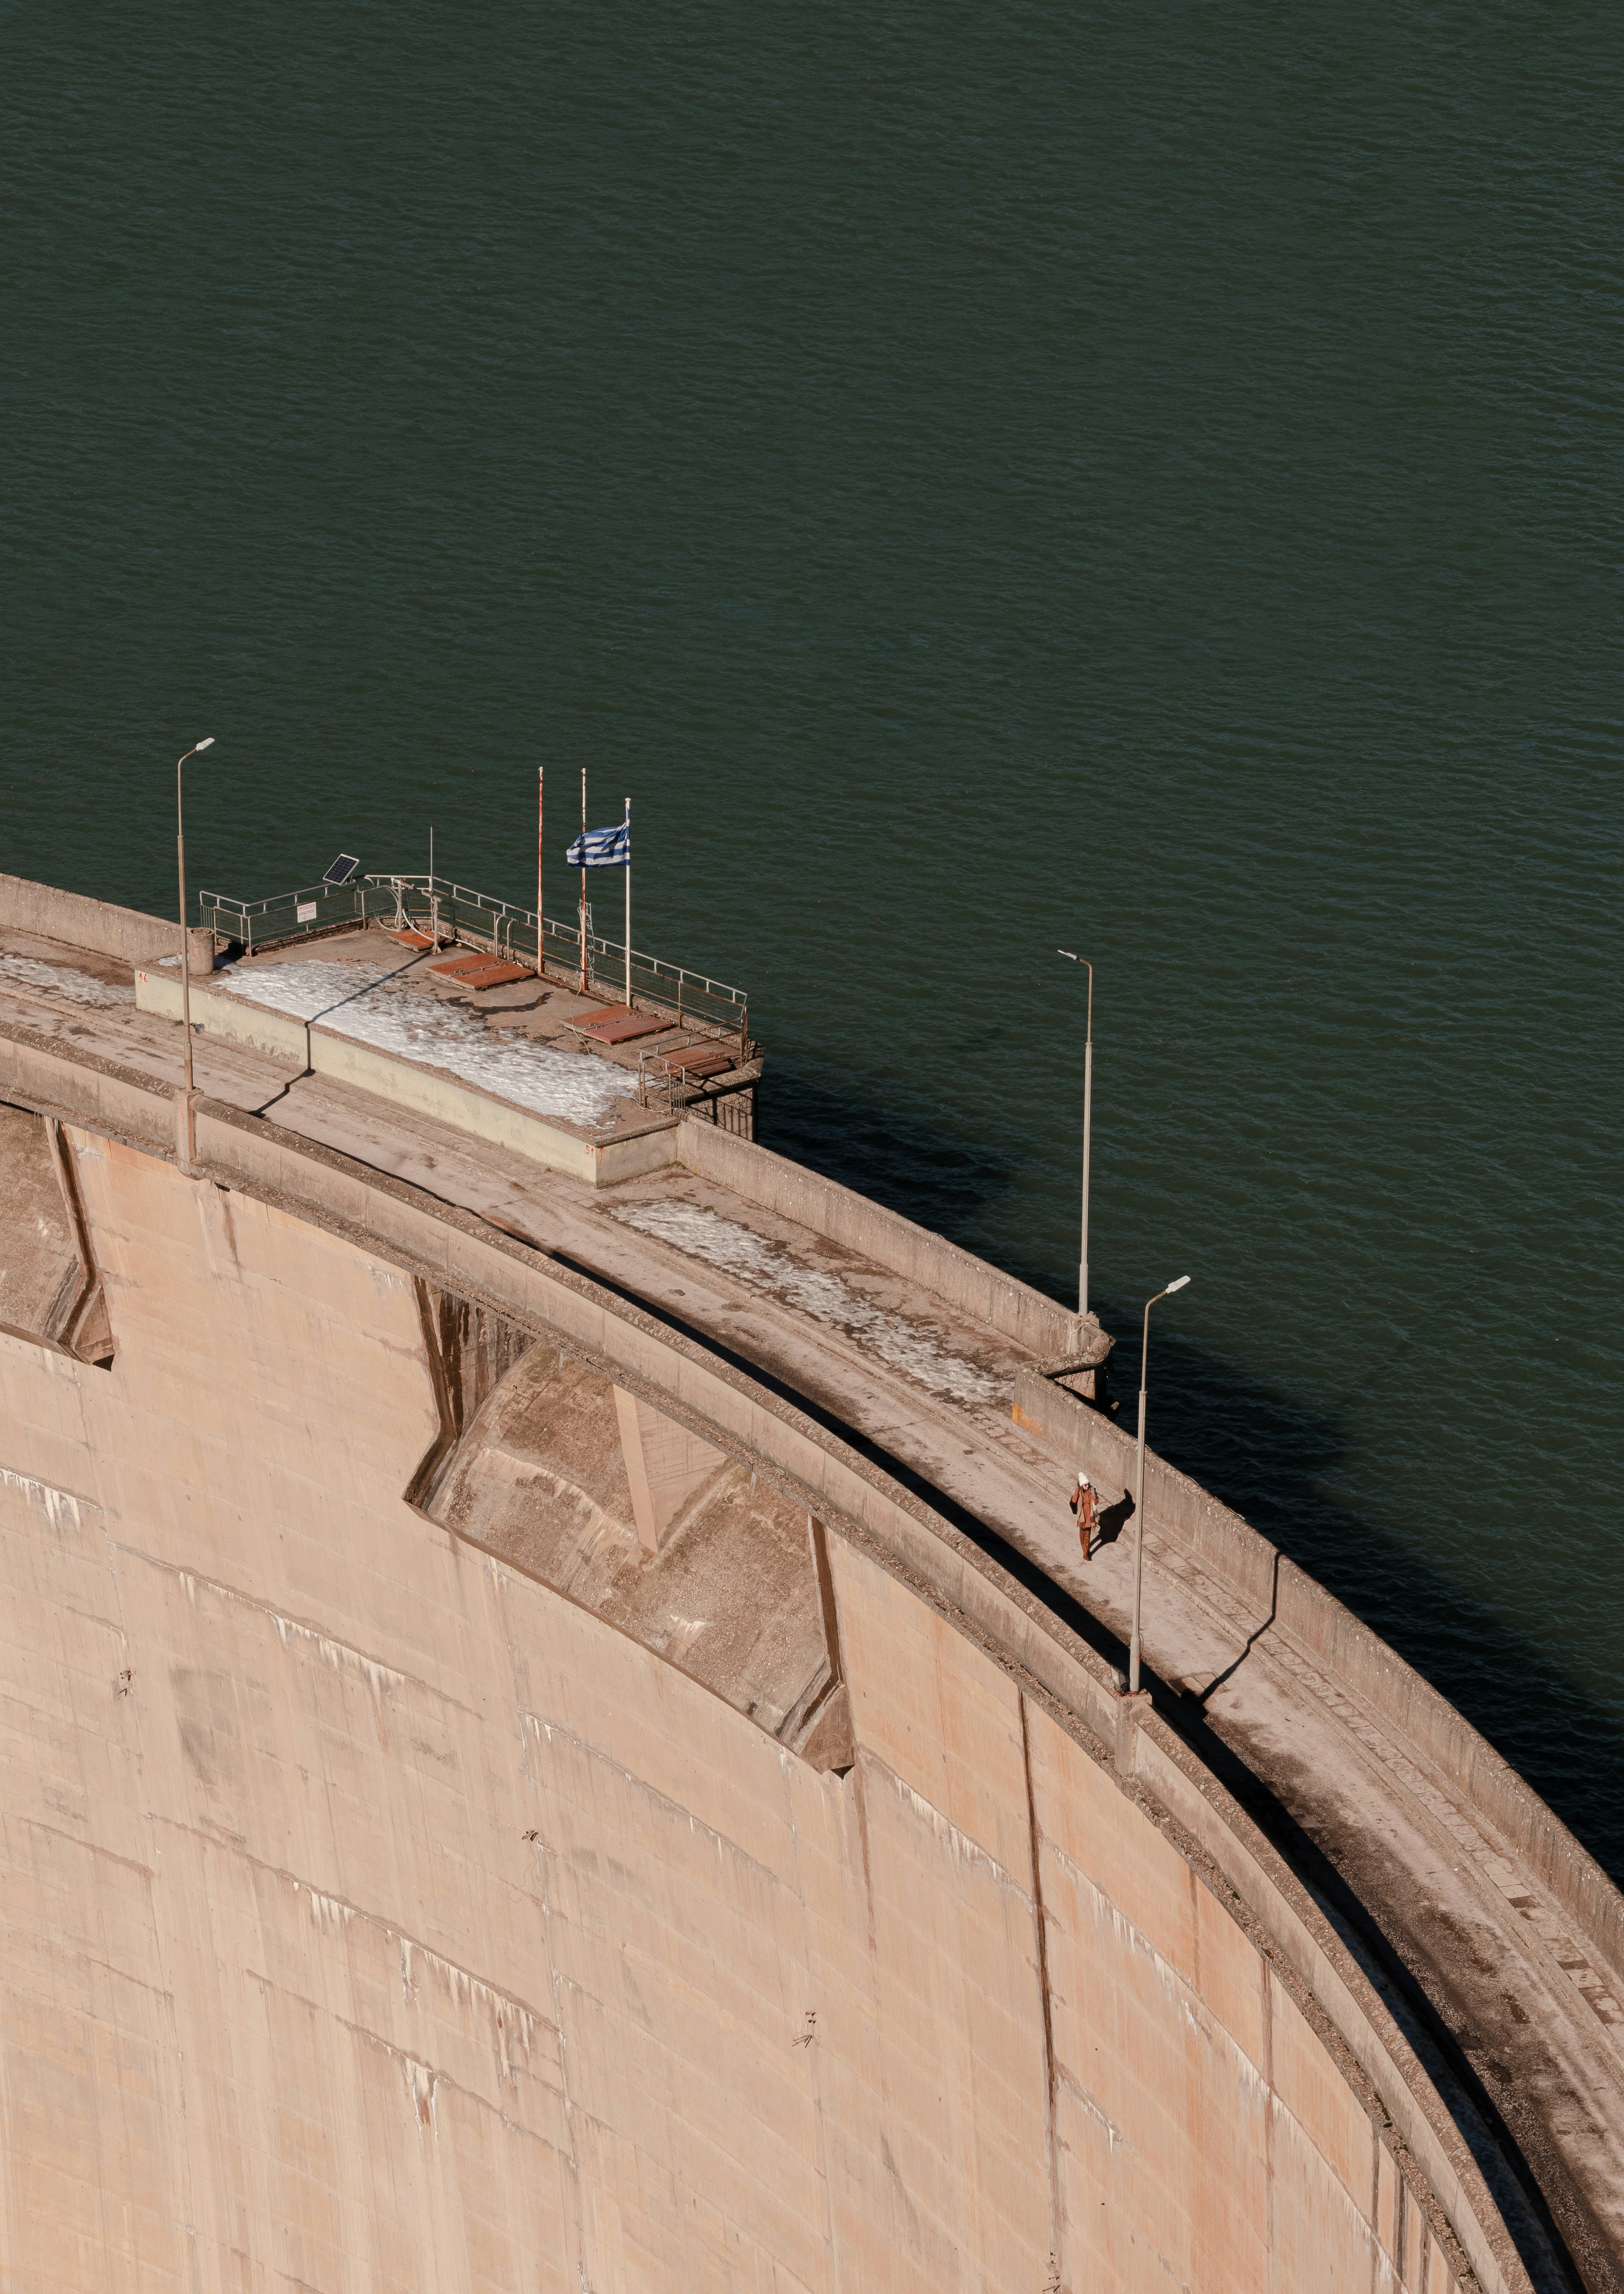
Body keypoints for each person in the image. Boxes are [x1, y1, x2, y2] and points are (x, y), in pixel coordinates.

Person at [1069, 1471, 1098, 1560]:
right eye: (1085, 1485)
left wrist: (1095, 1496)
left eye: (1088, 1484)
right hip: (1082, 1517)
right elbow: (1074, 1501)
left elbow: (1096, 1503)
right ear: (1082, 1485)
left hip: (1090, 1516)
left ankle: (1085, 1554)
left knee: (1087, 1535)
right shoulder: (1079, 1492)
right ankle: (1086, 1550)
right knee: (1082, 1534)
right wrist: (1077, 1490)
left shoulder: (1091, 1491)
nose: (1087, 1486)